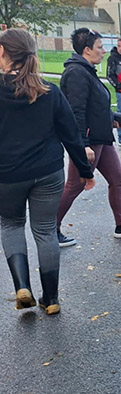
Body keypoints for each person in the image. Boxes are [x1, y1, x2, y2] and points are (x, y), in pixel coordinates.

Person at [0, 28, 95, 315]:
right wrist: (85, 170)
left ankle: (22, 287)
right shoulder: (49, 91)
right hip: (48, 171)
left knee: (11, 225)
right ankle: (51, 298)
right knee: (45, 232)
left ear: (4, 54)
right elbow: (70, 134)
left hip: (8, 175)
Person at [58, 27, 121, 247]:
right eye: (99, 47)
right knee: (75, 185)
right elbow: (76, 112)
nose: (104, 51)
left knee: (117, 180)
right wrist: (83, 145)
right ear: (87, 50)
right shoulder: (77, 73)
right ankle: (49, 229)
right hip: (89, 141)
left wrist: (112, 119)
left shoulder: (87, 70)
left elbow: (94, 107)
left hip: (102, 137)